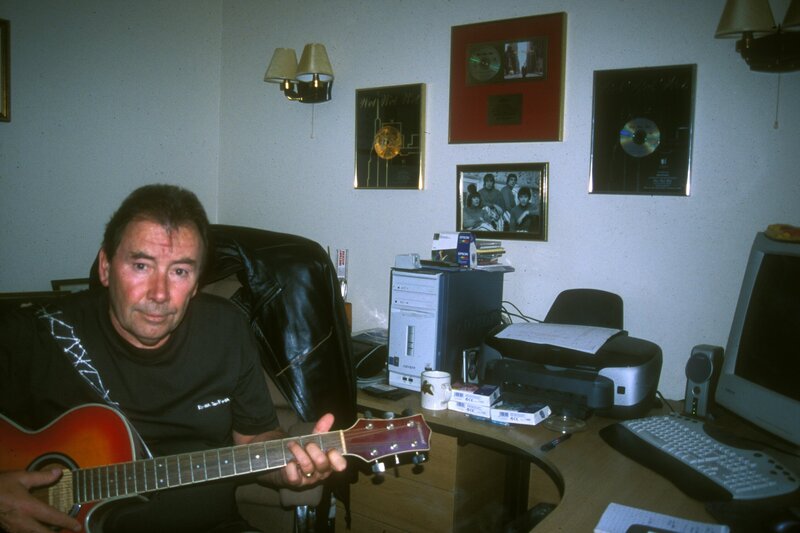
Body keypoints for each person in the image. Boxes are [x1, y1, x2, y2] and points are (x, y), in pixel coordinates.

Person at [0, 184, 347, 533]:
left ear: (196, 283)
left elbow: (255, 440)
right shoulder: (36, 336)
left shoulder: (226, 329)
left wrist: (290, 466)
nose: (160, 294)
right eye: (141, 265)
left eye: (179, 271)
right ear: (105, 266)